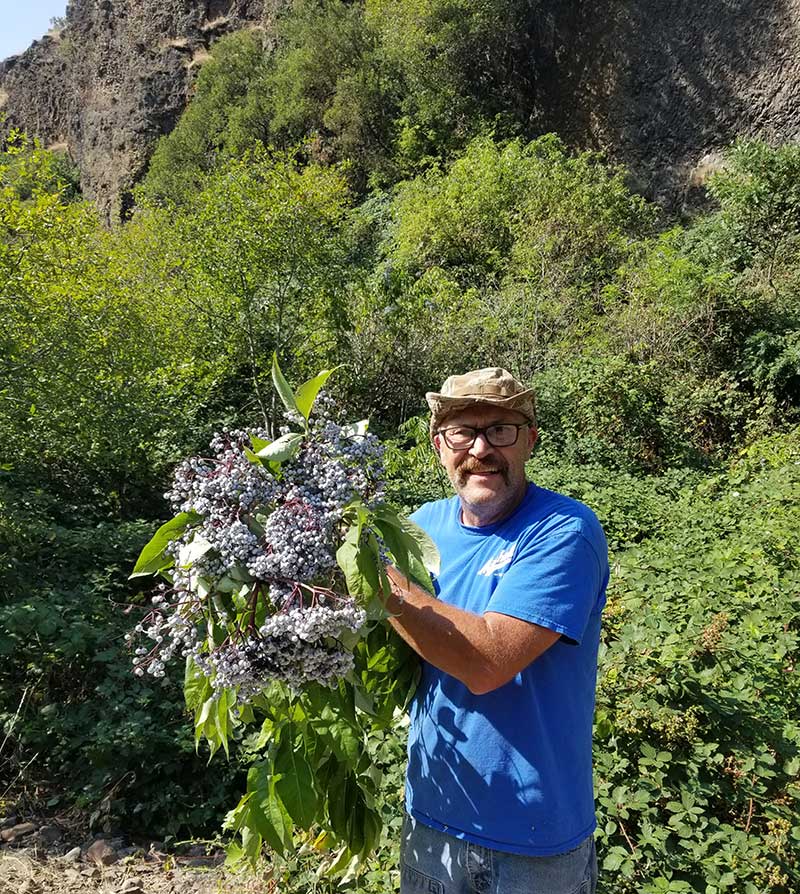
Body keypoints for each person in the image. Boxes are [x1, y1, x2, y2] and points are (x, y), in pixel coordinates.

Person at [384, 367, 609, 894]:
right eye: (463, 431)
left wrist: (372, 580)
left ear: (530, 439)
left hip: (532, 842)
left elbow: (488, 662)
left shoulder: (564, 530)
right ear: (440, 445)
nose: (480, 448)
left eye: (500, 430)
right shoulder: (418, 529)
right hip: (431, 821)